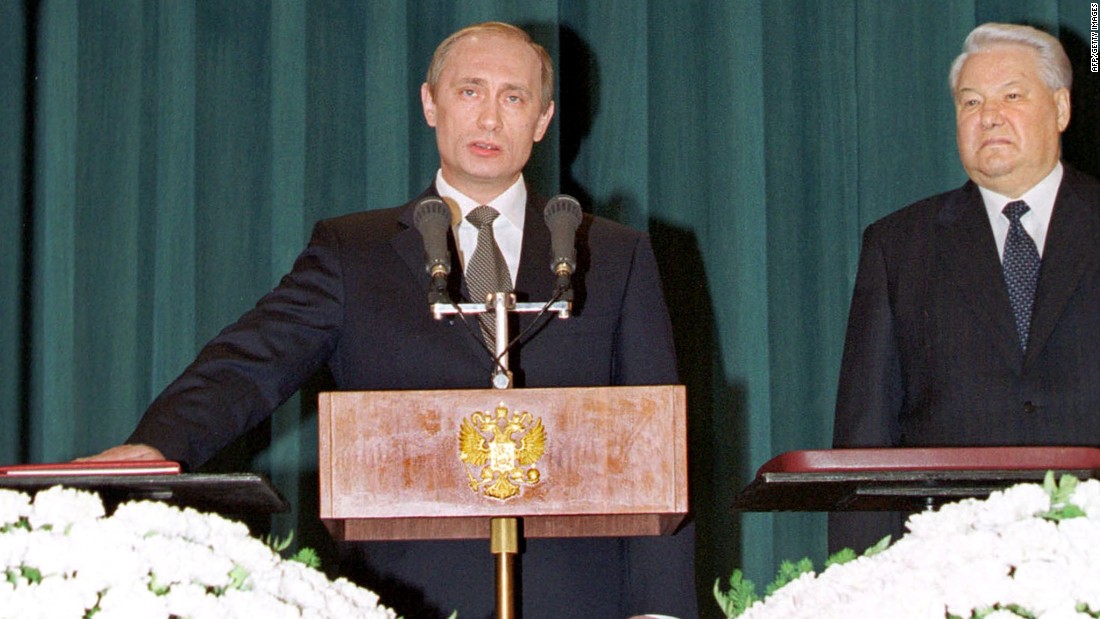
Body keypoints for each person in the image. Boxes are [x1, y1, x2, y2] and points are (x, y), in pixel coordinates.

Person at [83, 21, 697, 619]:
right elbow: (249, 364)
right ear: (430, 104)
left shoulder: (612, 255)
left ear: (542, 120)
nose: (489, 118)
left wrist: (659, 610)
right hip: (402, 592)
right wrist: (157, 446)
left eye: (514, 98)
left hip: (577, 594)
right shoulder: (356, 251)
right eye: (469, 91)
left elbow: (657, 448)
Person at [831, 22, 1100, 553]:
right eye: (970, 102)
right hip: (950, 561)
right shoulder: (898, 246)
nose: (989, 116)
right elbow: (866, 436)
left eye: (1012, 95)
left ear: (1062, 108)